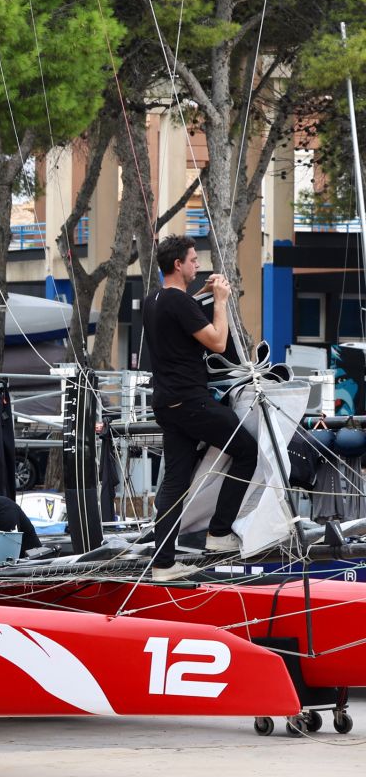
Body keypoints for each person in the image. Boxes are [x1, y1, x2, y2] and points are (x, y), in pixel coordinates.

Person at [144, 235, 258, 582]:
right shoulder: (179, 302)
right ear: (178, 264)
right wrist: (220, 300)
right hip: (191, 401)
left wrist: (203, 296)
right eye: (193, 259)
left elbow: (183, 313)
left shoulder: (155, 300)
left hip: (167, 402)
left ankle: (163, 564)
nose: (197, 264)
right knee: (246, 450)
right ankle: (219, 532)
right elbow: (218, 342)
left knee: (175, 482)